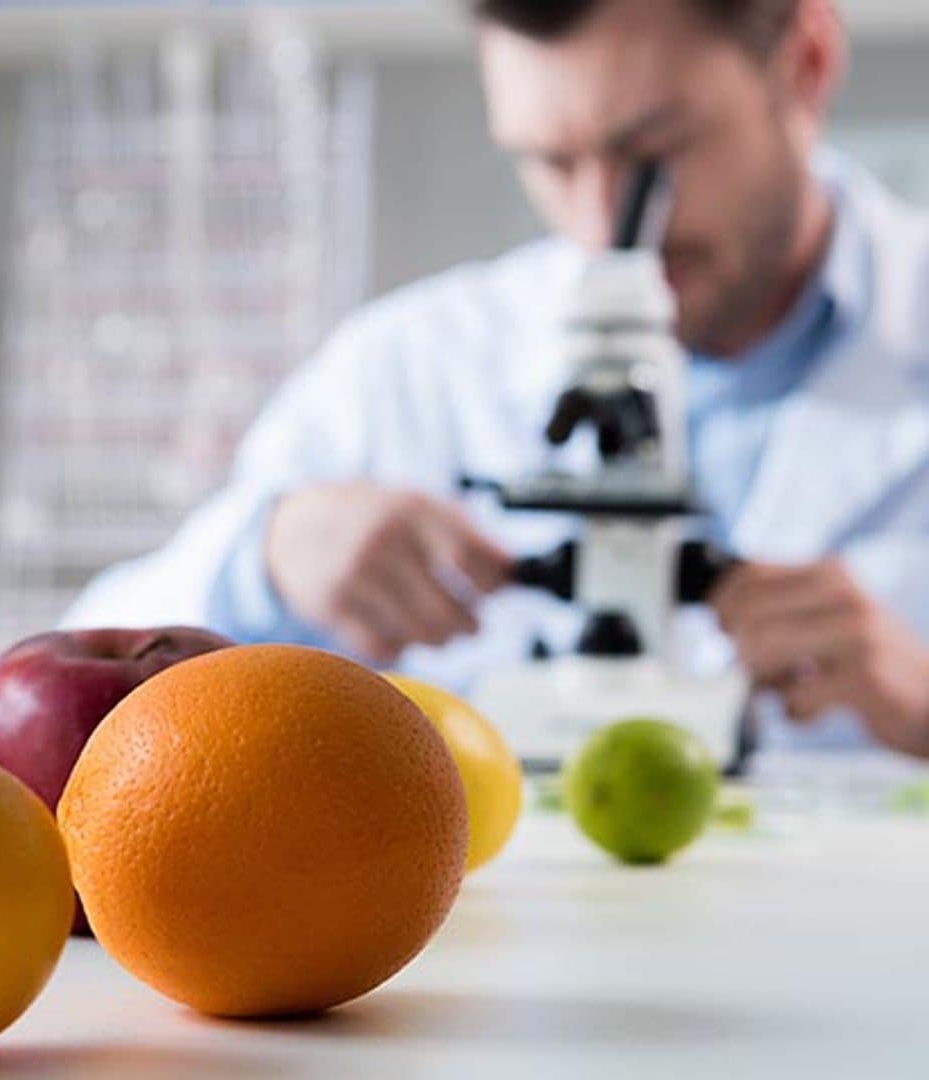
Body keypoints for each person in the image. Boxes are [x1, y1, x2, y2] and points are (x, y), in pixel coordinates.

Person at [64, 0, 929, 757]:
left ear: (807, 65)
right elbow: (52, 700)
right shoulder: (410, 369)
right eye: (552, 161)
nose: (602, 226)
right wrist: (268, 557)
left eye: (655, 150)